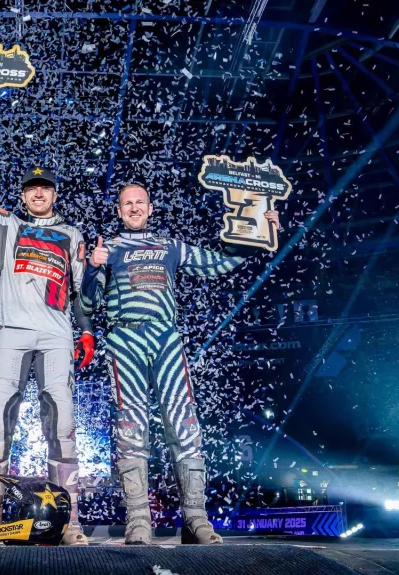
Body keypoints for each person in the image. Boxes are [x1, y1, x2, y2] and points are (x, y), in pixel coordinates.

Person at [81, 182, 280, 545]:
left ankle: (195, 518)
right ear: (120, 210)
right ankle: (139, 521)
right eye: (128, 203)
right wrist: (93, 268)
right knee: (131, 430)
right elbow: (90, 304)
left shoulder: (170, 246)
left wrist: (259, 235)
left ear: (151, 207)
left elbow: (218, 264)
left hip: (166, 338)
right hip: (124, 340)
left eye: (140, 201)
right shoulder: (107, 248)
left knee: (184, 427)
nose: (135, 207)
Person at [0, 109, 94, 545]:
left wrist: (85, 330)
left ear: (54, 194)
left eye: (45, 188)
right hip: (10, 331)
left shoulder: (72, 233)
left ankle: (71, 523)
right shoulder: (7, 226)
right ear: (24, 195)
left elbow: (81, 292)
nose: (38, 194)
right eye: (32, 188)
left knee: (62, 425)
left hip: (54, 334)